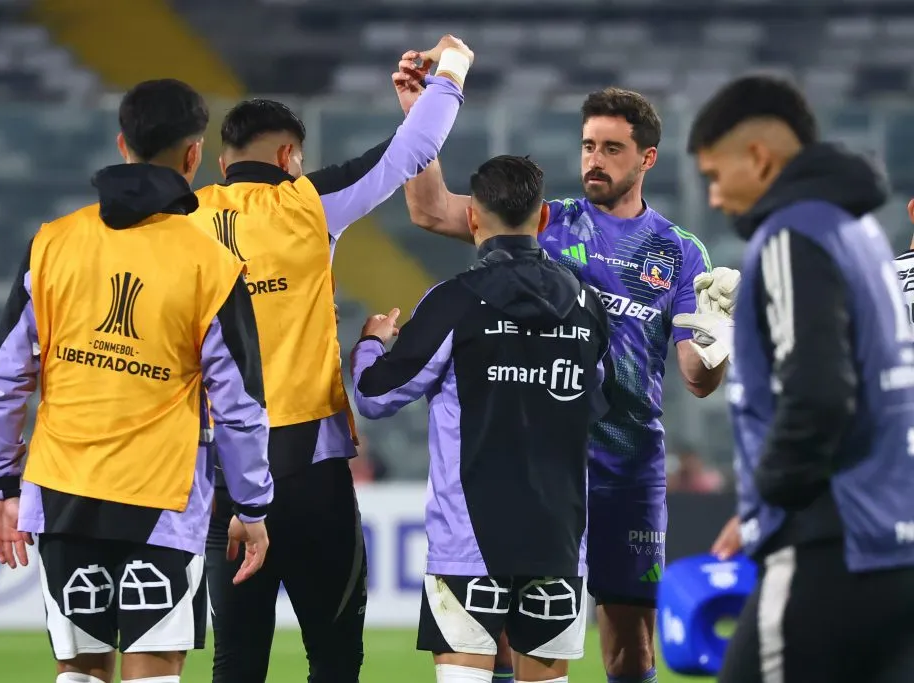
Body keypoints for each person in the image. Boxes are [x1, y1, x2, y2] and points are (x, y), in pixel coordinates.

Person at [394, 64, 734, 683]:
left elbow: (697, 378)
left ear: (647, 158)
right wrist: (421, 119)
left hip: (628, 471)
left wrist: (717, 342)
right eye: (587, 146)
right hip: (545, 471)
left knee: (630, 649)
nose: (594, 160)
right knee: (505, 642)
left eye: (612, 148)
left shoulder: (681, 253)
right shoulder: (547, 222)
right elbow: (432, 210)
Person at [195, 35, 474, 683]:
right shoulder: (307, 203)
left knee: (235, 660)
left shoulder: (184, 219)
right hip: (311, 468)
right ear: (290, 155)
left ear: (216, 159)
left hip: (222, 473)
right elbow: (417, 149)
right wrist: (451, 65)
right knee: (335, 657)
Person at [0, 79, 272, 683]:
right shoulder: (211, 263)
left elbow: (6, 376)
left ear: (122, 142)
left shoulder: (52, 242)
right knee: (154, 672)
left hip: (63, 493)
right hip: (160, 497)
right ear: (194, 156)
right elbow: (238, 404)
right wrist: (253, 504)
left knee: (79, 674)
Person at [686, 74, 914, 683]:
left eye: (714, 175)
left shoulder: (791, 233)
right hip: (892, 540)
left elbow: (817, 395)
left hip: (828, 543)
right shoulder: (861, 233)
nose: (712, 197)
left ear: (758, 158)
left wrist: (771, 499)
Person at [352, 155, 612, 683]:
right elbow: (598, 400)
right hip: (558, 535)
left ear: (472, 218)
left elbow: (375, 395)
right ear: (542, 220)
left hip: (470, 542)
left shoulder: (454, 300)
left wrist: (371, 345)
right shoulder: (588, 305)